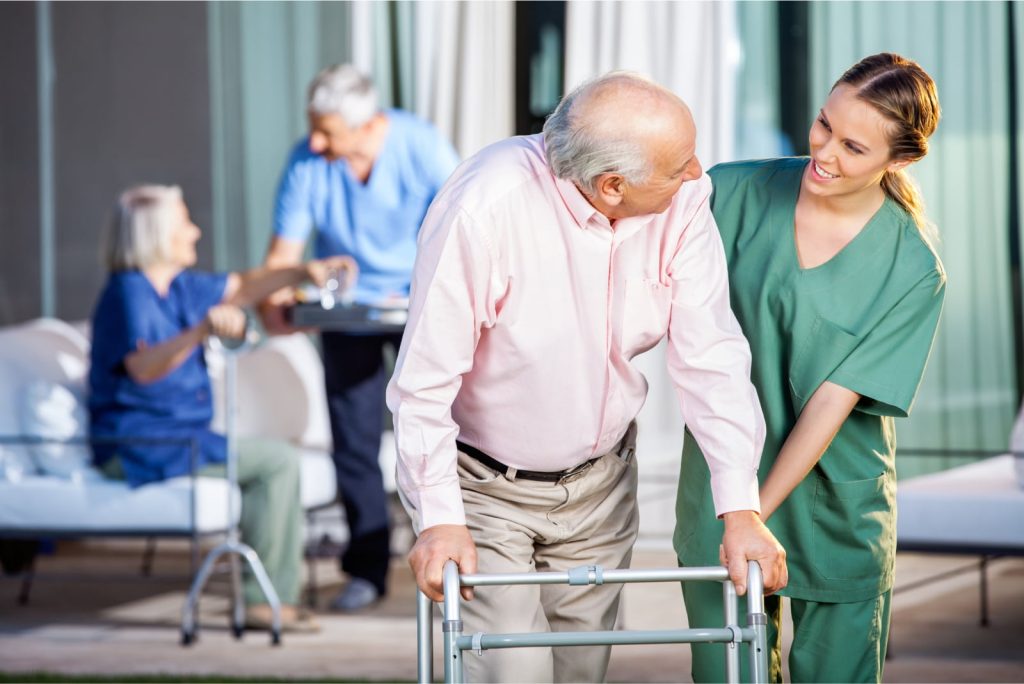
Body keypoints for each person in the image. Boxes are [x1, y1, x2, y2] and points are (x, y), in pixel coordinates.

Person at [387, 72, 788, 683]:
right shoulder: (484, 208)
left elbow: (713, 360)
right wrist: (440, 518)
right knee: (513, 674)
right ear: (612, 186)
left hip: (602, 486)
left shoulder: (683, 201)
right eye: (680, 162)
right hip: (487, 490)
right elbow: (423, 382)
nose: (697, 171)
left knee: (583, 674)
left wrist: (741, 509)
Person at [674, 53, 946, 683]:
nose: (823, 152)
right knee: (726, 675)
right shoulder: (730, 193)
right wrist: (735, 513)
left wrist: (753, 514)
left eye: (853, 147)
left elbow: (832, 402)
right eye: (823, 124)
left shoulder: (912, 268)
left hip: (835, 505)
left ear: (898, 160)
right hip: (721, 493)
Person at [89, 184, 353, 632]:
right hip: (139, 444)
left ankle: (265, 595)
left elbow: (245, 286)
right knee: (275, 461)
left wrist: (301, 273)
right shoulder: (129, 293)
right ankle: (260, 601)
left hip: (184, 439)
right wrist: (198, 333)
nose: (195, 232)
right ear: (156, 235)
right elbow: (143, 368)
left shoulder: (180, 287)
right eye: (184, 224)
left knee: (274, 458)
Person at [258, 64, 460, 612]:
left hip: (422, 306)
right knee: (354, 442)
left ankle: (466, 559)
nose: (315, 141)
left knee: (456, 429)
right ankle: (368, 569)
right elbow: (284, 254)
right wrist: (272, 301)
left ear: (368, 124)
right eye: (313, 128)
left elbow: (466, 228)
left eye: (327, 131)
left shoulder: (419, 145)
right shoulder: (308, 161)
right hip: (350, 314)